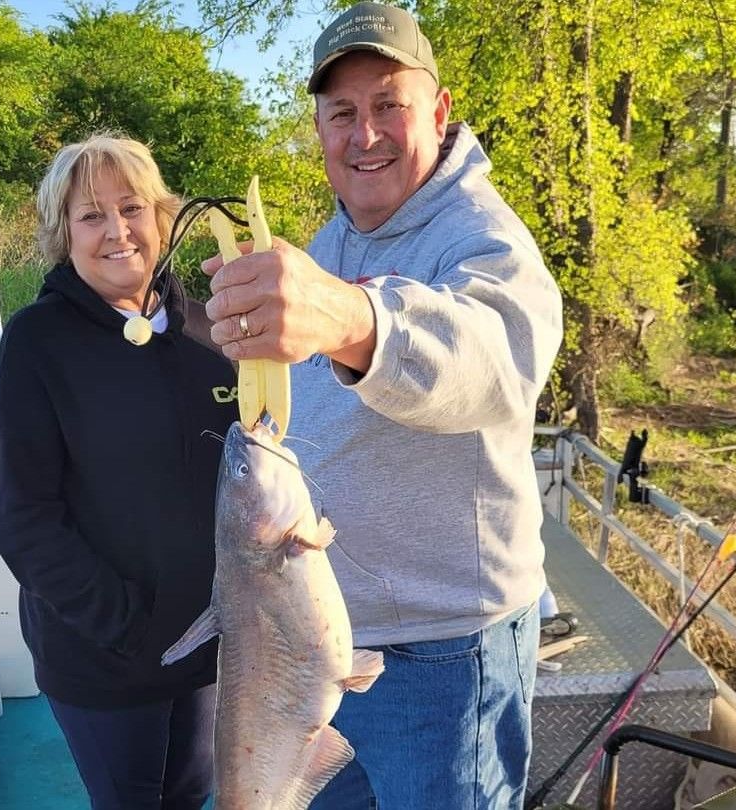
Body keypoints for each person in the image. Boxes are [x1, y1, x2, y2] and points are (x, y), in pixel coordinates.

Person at [203, 3, 564, 808]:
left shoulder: (483, 237)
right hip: (327, 653)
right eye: (341, 113)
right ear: (320, 130)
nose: (363, 135)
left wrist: (351, 317)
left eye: (387, 106)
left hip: (444, 661)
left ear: (436, 112)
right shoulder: (330, 243)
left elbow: (496, 360)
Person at [0, 133, 238, 809]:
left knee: (192, 795)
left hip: (211, 646)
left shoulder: (217, 335)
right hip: (103, 655)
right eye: (92, 215)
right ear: (63, 234)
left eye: (131, 208)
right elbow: (22, 513)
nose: (117, 231)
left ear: (161, 215)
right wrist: (126, 624)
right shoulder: (39, 342)